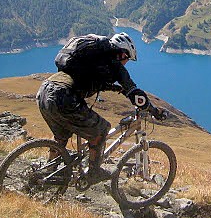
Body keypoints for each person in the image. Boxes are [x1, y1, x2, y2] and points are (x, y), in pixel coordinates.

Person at [36, 32, 167, 184]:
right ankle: (94, 172)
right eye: (127, 59)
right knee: (102, 129)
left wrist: (116, 88)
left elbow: (92, 80)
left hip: (44, 91)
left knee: (61, 136)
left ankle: (49, 173)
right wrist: (154, 111)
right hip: (63, 97)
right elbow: (136, 95)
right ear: (122, 53)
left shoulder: (93, 60)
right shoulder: (114, 65)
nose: (126, 63)